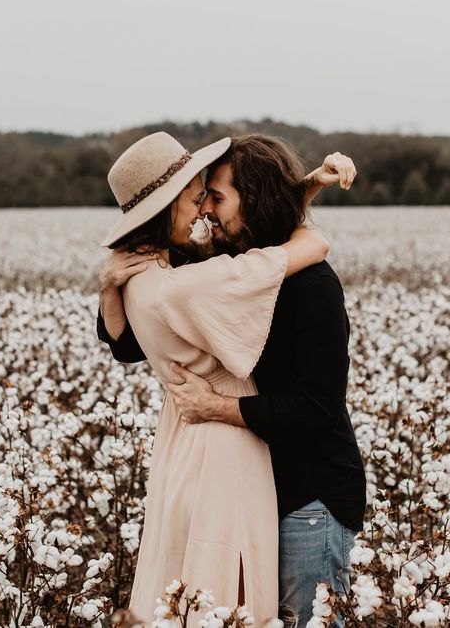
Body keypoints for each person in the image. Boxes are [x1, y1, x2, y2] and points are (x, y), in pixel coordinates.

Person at [98, 134, 366, 627]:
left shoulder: (313, 288)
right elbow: (132, 341)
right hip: (253, 495)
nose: (206, 213)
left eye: (216, 198)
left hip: (310, 501)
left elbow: (315, 409)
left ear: (255, 202)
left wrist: (218, 408)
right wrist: (110, 290)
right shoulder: (218, 269)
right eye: (202, 198)